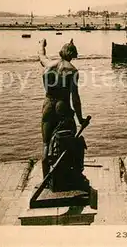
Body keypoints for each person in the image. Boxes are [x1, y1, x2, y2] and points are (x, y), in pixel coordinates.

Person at [38, 38, 86, 178]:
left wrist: (42, 44)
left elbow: (41, 56)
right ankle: (69, 173)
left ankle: (46, 179)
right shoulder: (72, 70)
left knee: (46, 143)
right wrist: (80, 119)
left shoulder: (48, 64)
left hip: (48, 103)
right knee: (68, 139)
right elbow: (75, 98)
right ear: (72, 55)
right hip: (62, 105)